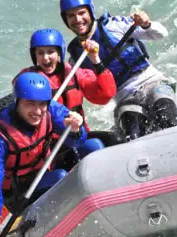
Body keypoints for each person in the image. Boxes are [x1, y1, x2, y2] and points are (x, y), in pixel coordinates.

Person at [0, 72, 88, 237]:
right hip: (15, 194)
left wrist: (76, 129)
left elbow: (76, 142)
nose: (37, 111)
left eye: (41, 104)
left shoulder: (51, 109)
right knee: (60, 177)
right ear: (17, 102)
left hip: (41, 174)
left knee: (93, 146)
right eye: (30, 104)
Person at [59, 0, 177, 141]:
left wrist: (146, 24)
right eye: (71, 16)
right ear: (66, 20)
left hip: (153, 83)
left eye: (81, 13)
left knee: (168, 121)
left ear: (90, 12)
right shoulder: (76, 58)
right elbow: (91, 95)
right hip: (125, 99)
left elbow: (161, 34)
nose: (77, 19)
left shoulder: (113, 25)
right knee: (133, 137)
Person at [15, 28, 120, 157]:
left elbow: (105, 95)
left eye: (50, 52)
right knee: (94, 146)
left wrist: (95, 60)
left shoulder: (74, 73)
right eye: (40, 53)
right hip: (49, 144)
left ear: (60, 52)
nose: (45, 58)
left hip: (77, 134)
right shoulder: (27, 80)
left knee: (115, 139)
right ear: (34, 55)